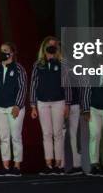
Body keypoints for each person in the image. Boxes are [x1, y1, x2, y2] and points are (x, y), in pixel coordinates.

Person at [29, 36, 71, 175]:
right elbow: (33, 85)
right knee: (46, 134)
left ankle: (58, 165)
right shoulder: (38, 64)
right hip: (42, 102)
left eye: (55, 45)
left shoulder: (62, 63)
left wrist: (67, 104)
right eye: (49, 45)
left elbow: (67, 85)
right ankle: (49, 164)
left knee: (57, 134)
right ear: (44, 47)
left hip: (59, 102)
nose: (52, 47)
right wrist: (33, 105)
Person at [0, 42, 27, 177]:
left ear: (12, 53)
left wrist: (18, 105)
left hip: (14, 108)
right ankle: (5, 166)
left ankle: (17, 166)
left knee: (15, 136)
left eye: (5, 50)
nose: (2, 53)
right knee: (3, 137)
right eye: (1, 50)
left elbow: (23, 87)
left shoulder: (19, 69)